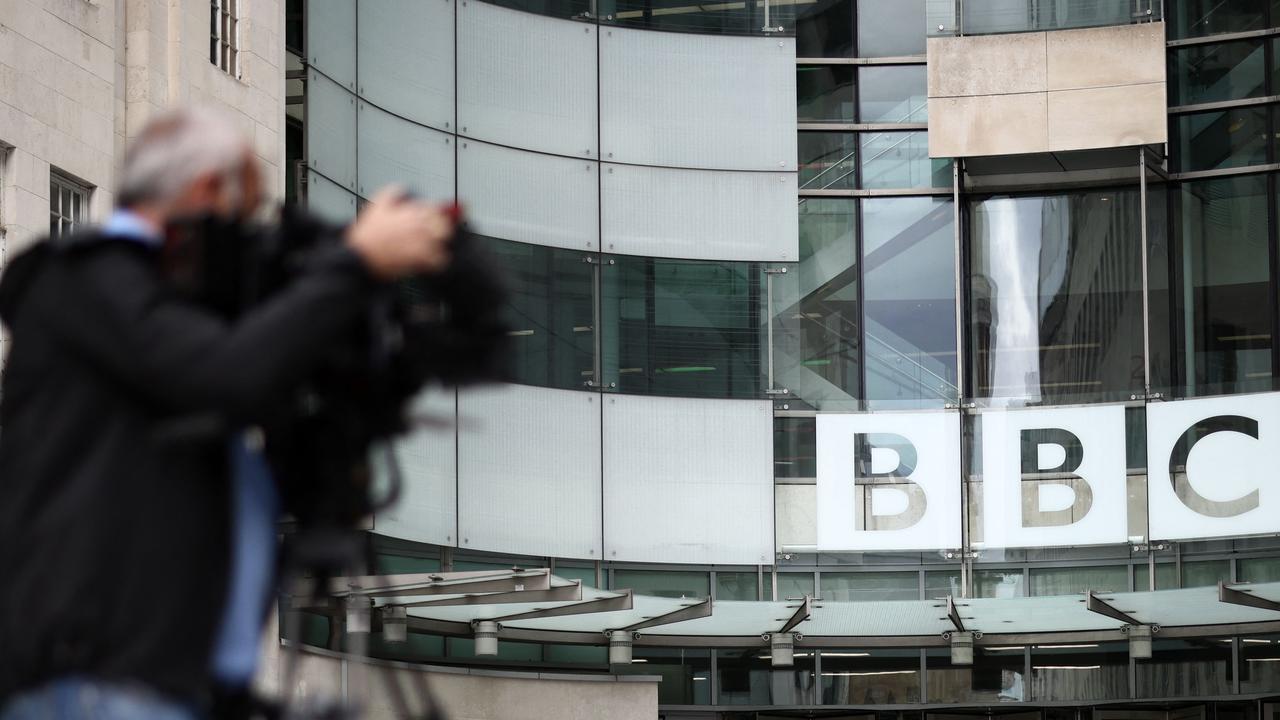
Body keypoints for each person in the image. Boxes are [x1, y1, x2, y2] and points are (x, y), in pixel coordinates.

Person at [0, 108, 457, 719]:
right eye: (251, 215)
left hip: (164, 688)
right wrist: (354, 265)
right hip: (93, 686)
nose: (253, 242)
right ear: (210, 189)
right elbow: (228, 376)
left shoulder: (167, 337)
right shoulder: (87, 282)